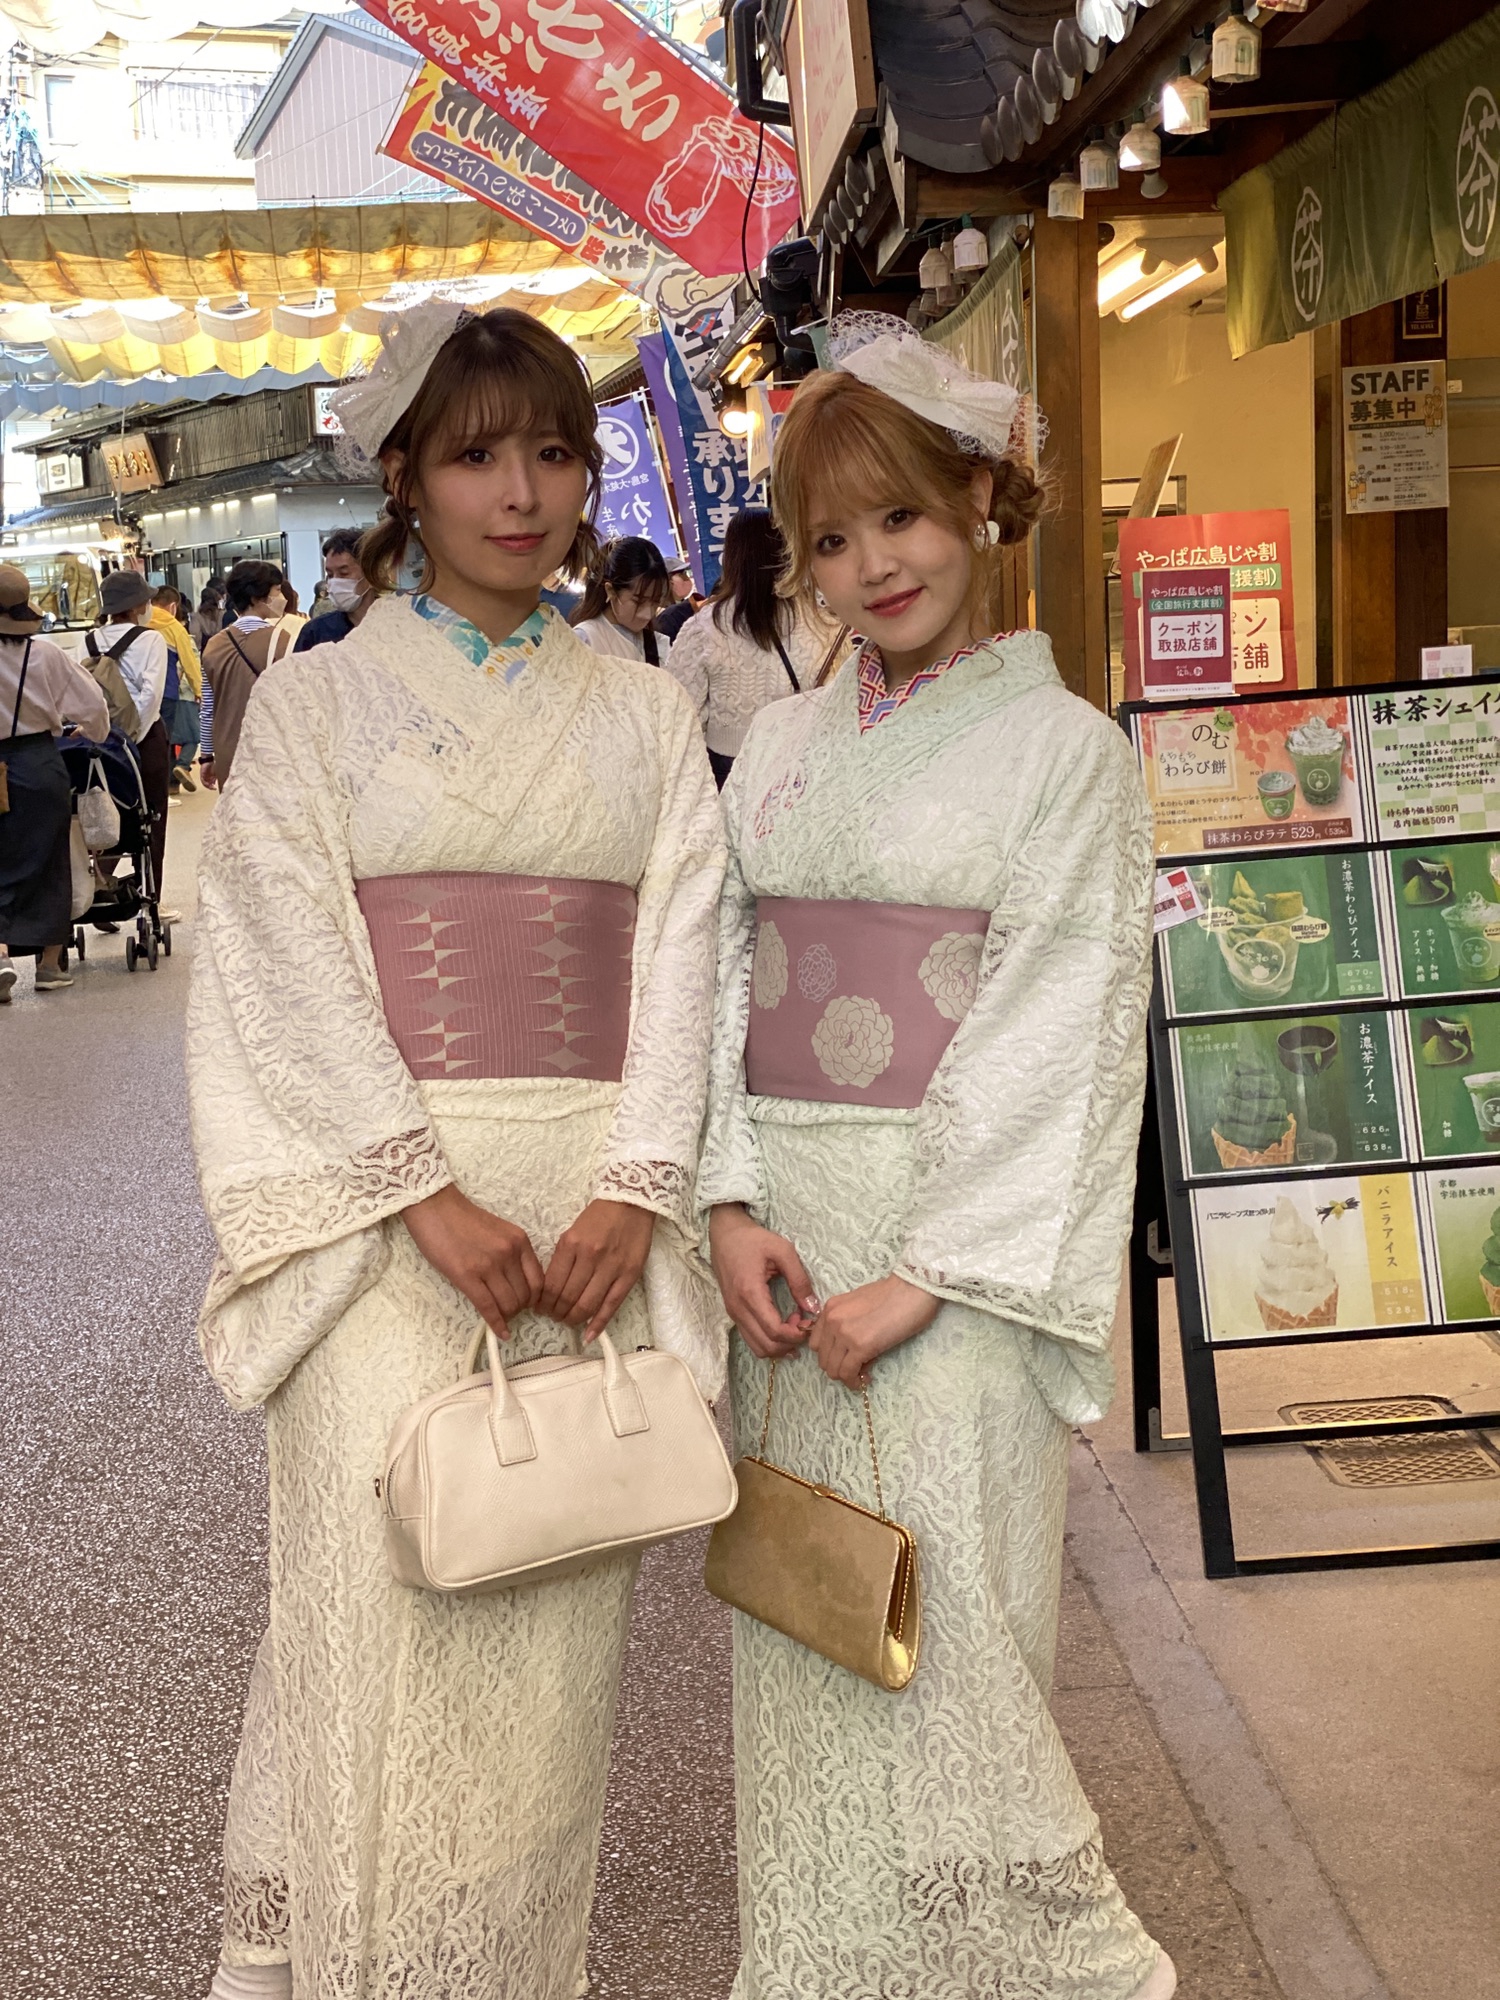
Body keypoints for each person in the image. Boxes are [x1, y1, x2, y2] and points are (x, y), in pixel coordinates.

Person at [186, 302, 723, 2000]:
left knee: (546, 1626)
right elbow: (279, 950)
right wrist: (418, 1189)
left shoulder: (639, 710)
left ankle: (501, 1968)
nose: (523, 493)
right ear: (406, 475)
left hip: (582, 1215)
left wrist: (640, 1186)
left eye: (554, 453)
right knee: (376, 1606)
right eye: (479, 454)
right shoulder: (318, 704)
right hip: (385, 1231)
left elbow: (691, 945)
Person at [699, 318, 1173, 2000]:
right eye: (830, 540)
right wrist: (726, 1200)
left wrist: (928, 1275)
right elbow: (714, 967)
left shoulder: (1067, 754)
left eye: (900, 515)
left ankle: (1058, 1970)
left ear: (981, 495)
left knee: (953, 1637)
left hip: (948, 1263)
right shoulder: (784, 743)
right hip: (787, 1250)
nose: (871, 566)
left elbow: (1062, 1021)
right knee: (804, 1615)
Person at [0, 564, 109, 999]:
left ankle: (0, 956)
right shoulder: (44, 655)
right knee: (48, 860)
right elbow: (93, 706)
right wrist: (95, 734)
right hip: (36, 763)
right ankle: (48, 966)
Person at [666, 508, 834, 788]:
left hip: (731, 765)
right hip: (803, 759)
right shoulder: (821, 621)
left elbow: (682, 715)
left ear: (731, 559)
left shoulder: (704, 628)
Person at [88, 570, 171, 905]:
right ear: (137, 605)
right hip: (145, 741)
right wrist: (133, 737)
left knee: (104, 815)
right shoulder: (151, 640)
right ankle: (151, 896)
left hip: (99, 742)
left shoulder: (88, 641)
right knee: (151, 817)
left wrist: (108, 736)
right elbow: (152, 694)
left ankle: (98, 885)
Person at [198, 561, 297, 790]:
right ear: (256, 597)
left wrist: (206, 755)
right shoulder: (284, 641)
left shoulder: (213, 646)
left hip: (228, 751)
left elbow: (208, 708)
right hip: (273, 747)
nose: (282, 597)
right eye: (277, 591)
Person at [570, 535, 673, 665]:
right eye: (638, 601)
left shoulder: (657, 645)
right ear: (611, 590)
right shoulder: (586, 639)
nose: (647, 614)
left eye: (655, 602)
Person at [152, 584, 204, 794]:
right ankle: (166, 785)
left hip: (137, 693)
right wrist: (198, 690)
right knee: (164, 740)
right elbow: (190, 663)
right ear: (173, 607)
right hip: (168, 692)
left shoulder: (138, 622)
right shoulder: (174, 628)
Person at [293, 529, 374, 650]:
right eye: (330, 575)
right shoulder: (315, 632)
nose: (335, 582)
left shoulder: (394, 624)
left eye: (344, 573)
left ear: (371, 573)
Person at [653, 554, 700, 644]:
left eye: (685, 574)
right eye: (682, 574)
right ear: (668, 582)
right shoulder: (664, 617)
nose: (687, 578)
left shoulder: (685, 608)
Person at [190, 583, 224, 651]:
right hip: (221, 648)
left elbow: (195, 635)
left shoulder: (197, 616)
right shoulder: (222, 614)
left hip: (205, 650)